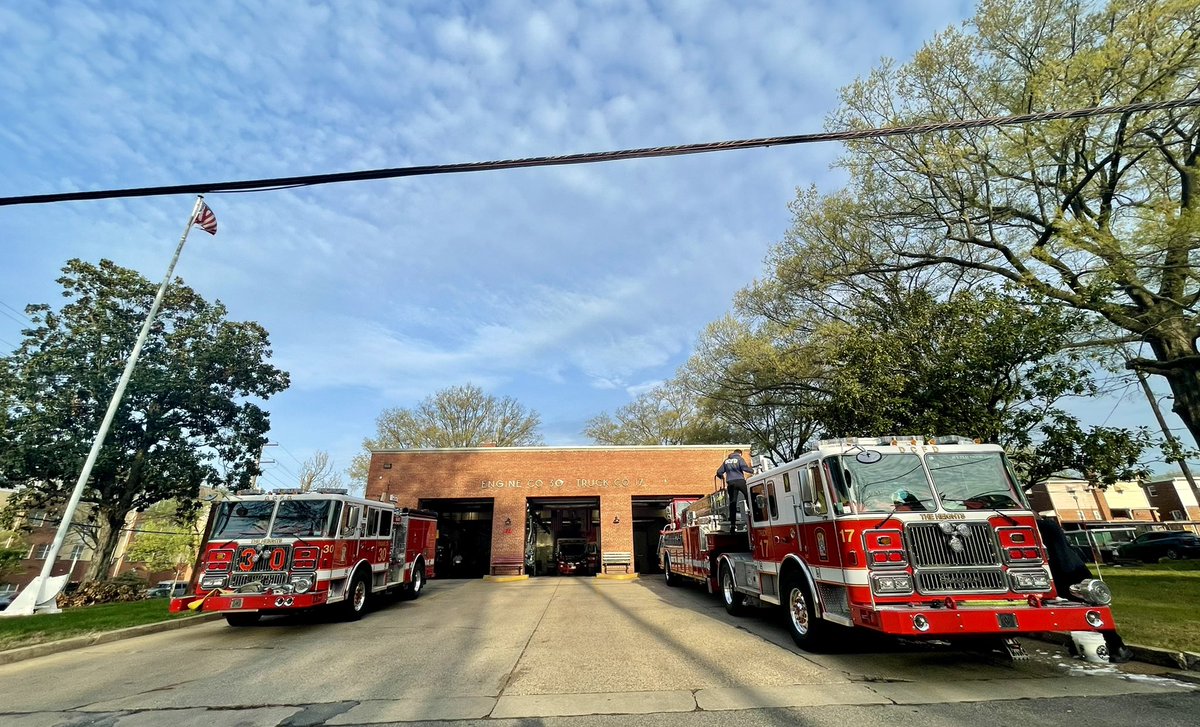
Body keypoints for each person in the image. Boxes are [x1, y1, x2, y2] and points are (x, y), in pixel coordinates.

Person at [717, 449, 754, 532]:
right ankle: (753, 516)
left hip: (730, 483)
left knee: (733, 502)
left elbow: (719, 472)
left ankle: (732, 526)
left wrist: (721, 477)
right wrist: (753, 471)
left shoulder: (726, 461)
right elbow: (744, 468)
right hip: (740, 481)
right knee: (748, 497)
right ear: (740, 453)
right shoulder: (739, 459)